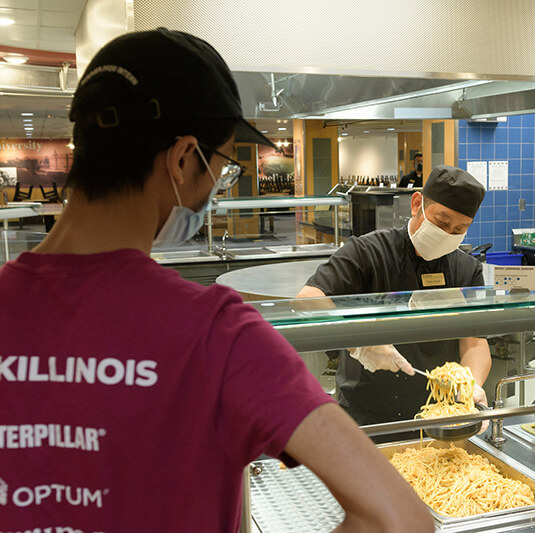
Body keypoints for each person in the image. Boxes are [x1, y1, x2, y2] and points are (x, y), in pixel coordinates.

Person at [0, 28, 432, 533]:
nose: (217, 188)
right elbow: (396, 519)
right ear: (184, 160)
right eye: (222, 167)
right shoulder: (217, 335)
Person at [297, 165, 491, 427]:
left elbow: (475, 343)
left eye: (459, 230)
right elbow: (308, 297)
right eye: (442, 222)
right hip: (365, 414)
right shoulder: (368, 252)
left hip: (436, 416)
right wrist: (359, 341)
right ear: (416, 204)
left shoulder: (467, 269)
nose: (447, 234)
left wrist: (472, 386)